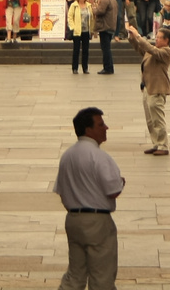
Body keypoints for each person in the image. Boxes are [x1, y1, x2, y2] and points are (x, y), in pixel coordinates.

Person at [53, 107, 124, 290]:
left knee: (75, 275)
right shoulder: (99, 156)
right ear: (88, 129)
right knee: (102, 276)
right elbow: (113, 190)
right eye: (101, 124)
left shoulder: (67, 156)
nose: (106, 128)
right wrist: (121, 182)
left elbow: (61, 190)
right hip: (97, 220)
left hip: (74, 219)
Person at [124, 21, 170, 156]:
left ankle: (163, 145)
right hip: (148, 87)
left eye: (159, 37)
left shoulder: (165, 51)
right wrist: (132, 37)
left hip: (157, 88)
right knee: (150, 120)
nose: (156, 39)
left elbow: (150, 49)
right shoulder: (153, 50)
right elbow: (140, 48)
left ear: (166, 40)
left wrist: (138, 35)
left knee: (158, 119)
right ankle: (156, 143)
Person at [92, 0, 118, 74]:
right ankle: (109, 67)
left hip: (104, 26)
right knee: (107, 48)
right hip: (110, 26)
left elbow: (100, 11)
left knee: (105, 49)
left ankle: (107, 68)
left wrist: (94, 9)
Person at [67, 0, 94, 74]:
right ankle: (75, 68)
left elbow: (92, 17)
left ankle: (85, 68)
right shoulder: (74, 5)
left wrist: (92, 29)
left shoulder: (88, 6)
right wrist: (73, 27)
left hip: (86, 30)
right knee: (76, 50)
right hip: (77, 31)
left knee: (86, 50)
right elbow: (70, 17)